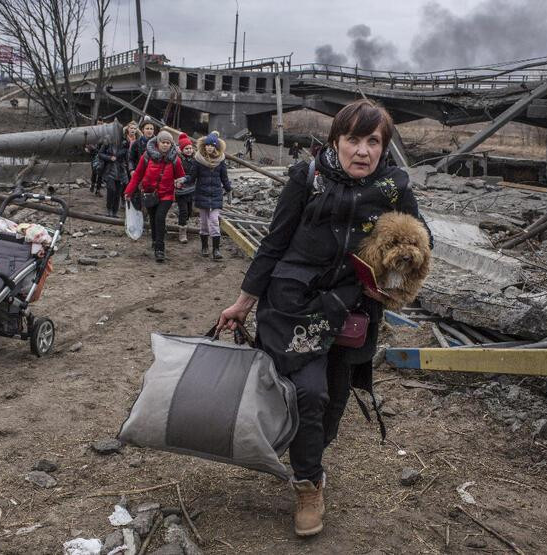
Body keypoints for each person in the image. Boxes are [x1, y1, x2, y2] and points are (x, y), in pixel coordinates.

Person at [217, 99, 431, 537]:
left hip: (352, 310)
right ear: (336, 140)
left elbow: (421, 244)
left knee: (333, 402)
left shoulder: (394, 188)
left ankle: (306, 451)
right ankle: (308, 484)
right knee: (307, 395)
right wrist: (244, 302)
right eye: (353, 139)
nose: (362, 150)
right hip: (295, 305)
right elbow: (273, 243)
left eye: (373, 141)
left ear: (383, 147)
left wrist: (389, 282)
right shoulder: (307, 178)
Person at [124, 130, 185, 263]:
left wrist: (180, 183)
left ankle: (160, 249)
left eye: (168, 143)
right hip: (149, 193)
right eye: (163, 142)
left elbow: (181, 176)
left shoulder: (175, 159)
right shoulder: (147, 156)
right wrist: (128, 192)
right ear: (158, 143)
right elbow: (138, 175)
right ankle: (154, 240)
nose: (165, 145)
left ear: (171, 144)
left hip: (167, 194)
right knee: (152, 218)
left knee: (160, 217)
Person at [182, 131, 231, 260]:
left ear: (216, 147)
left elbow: (224, 178)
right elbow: (192, 177)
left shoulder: (220, 162)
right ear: (204, 146)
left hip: (215, 195)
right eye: (207, 145)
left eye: (211, 145)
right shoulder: (198, 161)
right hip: (202, 195)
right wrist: (183, 180)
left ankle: (216, 250)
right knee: (204, 223)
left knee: (214, 221)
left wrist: (229, 190)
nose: (209, 147)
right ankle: (204, 246)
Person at [98, 126, 130, 218]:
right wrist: (109, 158)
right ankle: (109, 210)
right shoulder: (108, 140)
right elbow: (100, 154)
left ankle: (114, 212)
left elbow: (127, 155)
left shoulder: (124, 142)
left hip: (120, 171)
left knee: (118, 192)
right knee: (111, 190)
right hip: (109, 170)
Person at [175, 132, 197, 244]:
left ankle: (184, 223)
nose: (189, 150)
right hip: (181, 190)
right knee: (183, 211)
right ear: (182, 149)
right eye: (186, 148)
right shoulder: (179, 160)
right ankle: (182, 232)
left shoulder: (195, 160)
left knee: (189, 211)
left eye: (190, 148)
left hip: (191, 190)